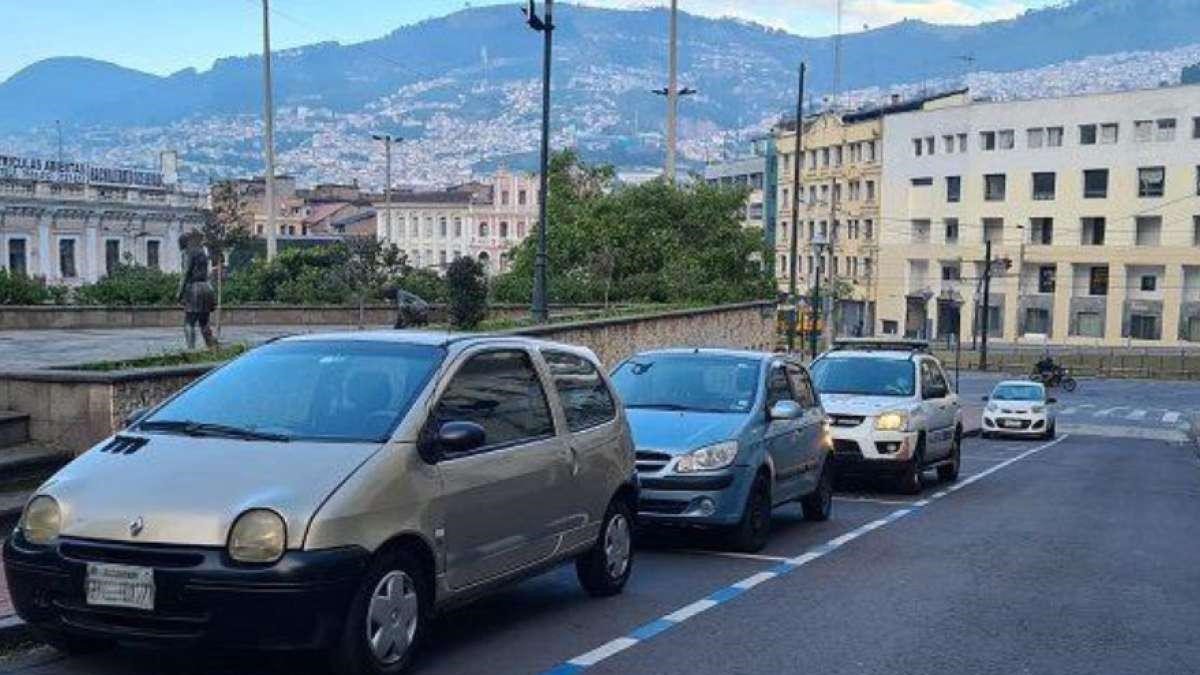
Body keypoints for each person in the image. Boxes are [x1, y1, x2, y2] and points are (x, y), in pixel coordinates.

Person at [177, 232, 218, 350]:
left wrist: (179, 292)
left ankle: (191, 350)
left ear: (183, 243)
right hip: (207, 288)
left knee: (189, 323)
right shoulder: (202, 252)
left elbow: (185, 273)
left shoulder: (187, 253)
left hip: (194, 289)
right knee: (204, 323)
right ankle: (213, 349)